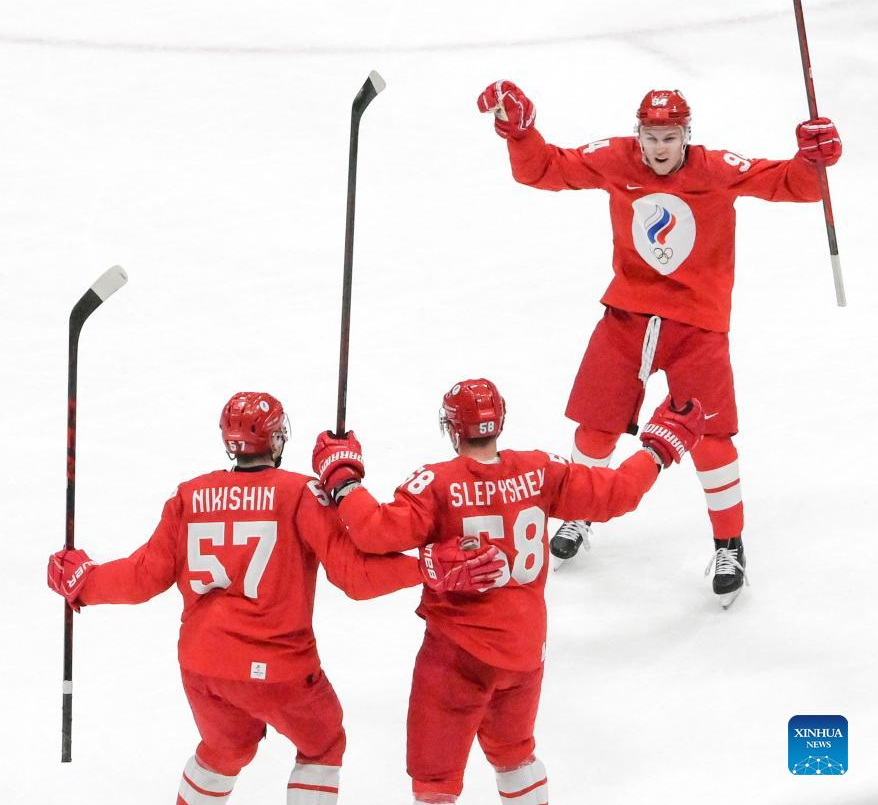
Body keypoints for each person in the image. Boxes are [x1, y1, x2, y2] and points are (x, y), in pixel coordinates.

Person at [476, 80, 843, 605]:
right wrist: (520, 133)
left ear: (686, 135)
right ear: (638, 135)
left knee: (711, 439)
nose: (659, 148)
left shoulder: (716, 169)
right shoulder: (615, 158)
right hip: (627, 316)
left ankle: (730, 545)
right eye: (651, 137)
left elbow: (794, 185)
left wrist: (812, 159)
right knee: (595, 428)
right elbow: (544, 169)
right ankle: (580, 513)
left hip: (697, 326)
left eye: (670, 137)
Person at [47, 391, 498, 805]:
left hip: (204, 669)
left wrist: (84, 581)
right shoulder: (300, 492)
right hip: (281, 670)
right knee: (323, 743)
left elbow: (143, 576)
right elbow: (355, 576)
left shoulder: (189, 495)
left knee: (226, 748)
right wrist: (425, 567)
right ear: (278, 438)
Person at [310, 377, 705, 804]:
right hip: (524, 653)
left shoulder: (437, 484)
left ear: (452, 428)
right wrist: (657, 449)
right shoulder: (540, 470)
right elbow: (617, 494)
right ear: (499, 421)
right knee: (516, 756)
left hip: (457, 655)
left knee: (435, 781)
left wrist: (343, 479)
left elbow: (374, 532)